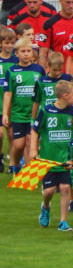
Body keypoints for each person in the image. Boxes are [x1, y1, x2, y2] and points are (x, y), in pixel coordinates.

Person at [30, 80, 73, 232]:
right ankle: (45, 207)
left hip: (65, 159)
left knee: (64, 188)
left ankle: (63, 222)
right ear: (65, 96)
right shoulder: (46, 110)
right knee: (49, 191)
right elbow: (35, 130)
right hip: (48, 159)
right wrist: (33, 149)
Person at [2, 38, 45, 172]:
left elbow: (43, 91)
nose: (26, 54)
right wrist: (5, 114)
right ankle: (14, 164)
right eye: (23, 51)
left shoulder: (39, 70)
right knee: (19, 144)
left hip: (33, 114)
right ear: (17, 53)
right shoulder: (12, 71)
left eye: (28, 51)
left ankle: (28, 173)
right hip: (18, 113)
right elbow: (8, 94)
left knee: (29, 142)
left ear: (32, 53)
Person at [31, 52, 72, 118]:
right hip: (46, 115)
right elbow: (36, 102)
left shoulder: (67, 79)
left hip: (63, 115)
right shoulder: (41, 81)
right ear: (48, 65)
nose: (57, 73)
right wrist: (33, 120)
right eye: (54, 70)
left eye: (60, 70)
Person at [0, 27, 18, 172]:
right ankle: (0, 155)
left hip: (13, 105)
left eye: (11, 43)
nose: (9, 46)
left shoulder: (16, 61)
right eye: (6, 43)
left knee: (11, 135)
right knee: (0, 133)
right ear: (1, 44)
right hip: (0, 103)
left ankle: (12, 163)